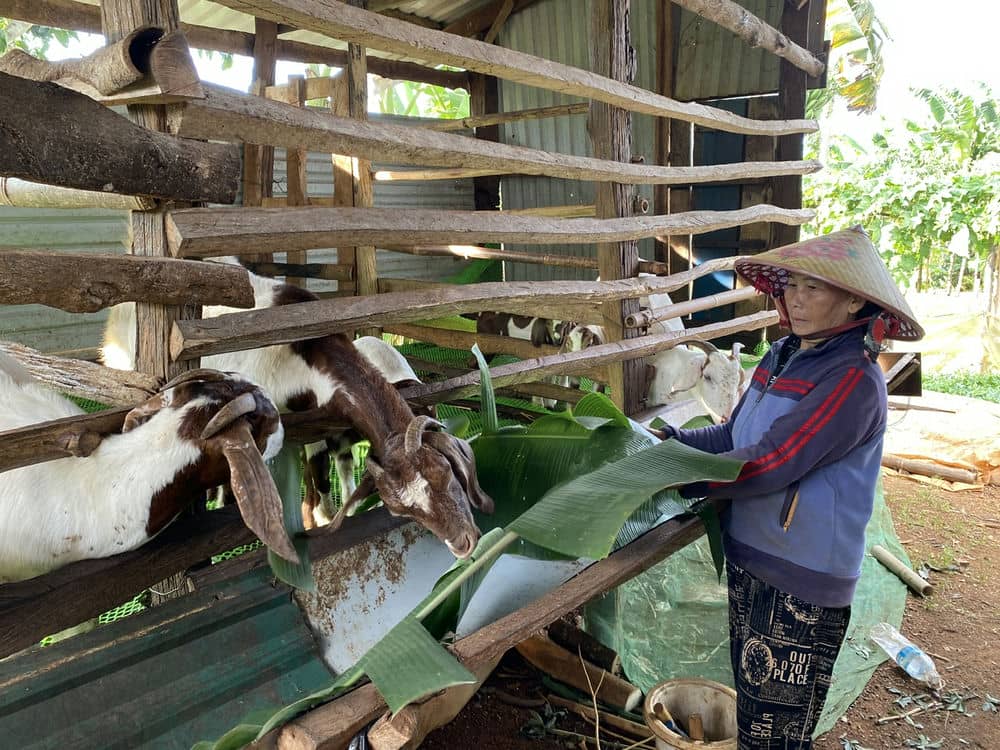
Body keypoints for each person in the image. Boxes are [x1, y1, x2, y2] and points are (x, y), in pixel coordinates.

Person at [655, 226, 924, 749]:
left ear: (852, 302)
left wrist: (679, 475)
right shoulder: (781, 355)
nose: (795, 300)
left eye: (814, 289)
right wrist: (673, 443)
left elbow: (772, 461)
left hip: (800, 583)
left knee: (774, 734)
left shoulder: (852, 379)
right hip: (753, 559)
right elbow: (735, 433)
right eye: (792, 286)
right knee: (756, 714)